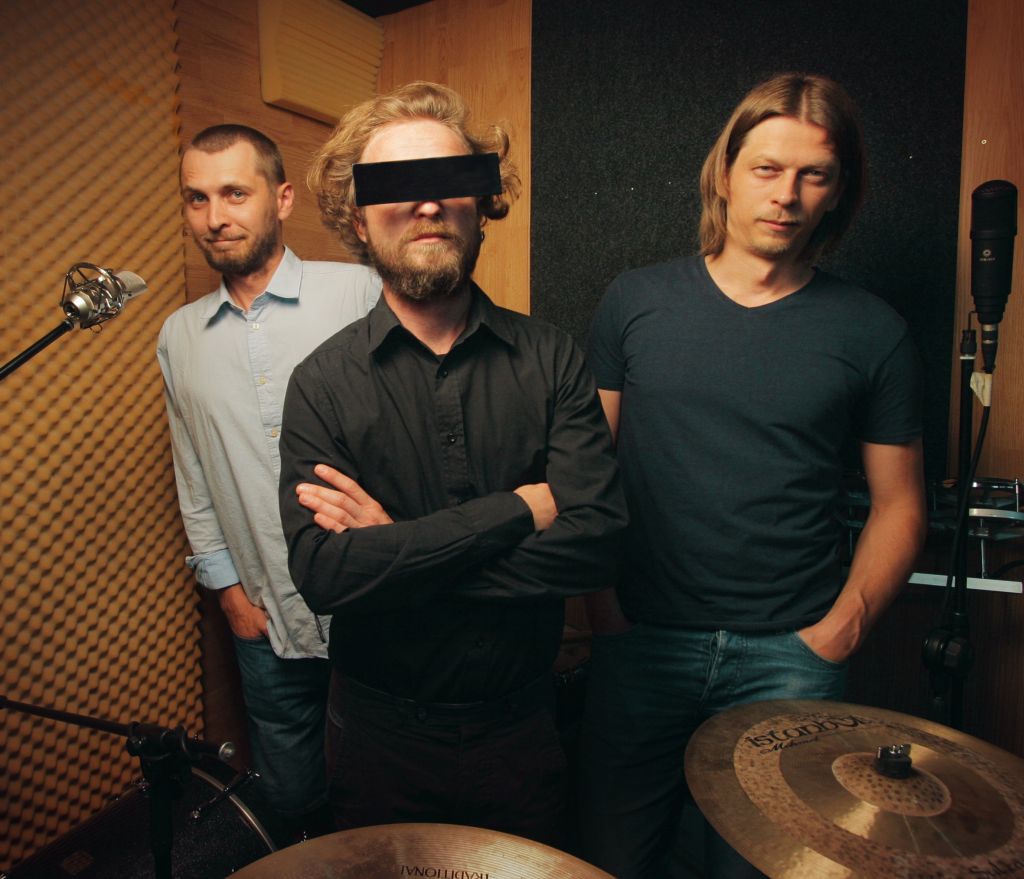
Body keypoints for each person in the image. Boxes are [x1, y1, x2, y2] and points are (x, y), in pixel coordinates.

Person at [579, 73, 928, 878]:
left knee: (759, 867)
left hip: (790, 656)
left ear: (838, 192)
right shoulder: (635, 302)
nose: (787, 195)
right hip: (641, 642)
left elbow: (900, 506)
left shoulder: (873, 332)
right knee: (609, 859)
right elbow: (588, 470)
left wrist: (838, 634)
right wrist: (601, 609)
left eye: (814, 175)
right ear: (726, 173)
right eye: (767, 168)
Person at [277, 81, 626, 846]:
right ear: (358, 217)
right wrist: (516, 510)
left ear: (481, 202)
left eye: (449, 179)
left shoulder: (553, 359)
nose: (428, 203)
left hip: (521, 734)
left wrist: (395, 550)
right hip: (378, 742)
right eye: (396, 185)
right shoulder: (321, 384)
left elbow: (597, 544)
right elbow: (326, 575)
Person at [157, 124, 380, 841]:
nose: (214, 216)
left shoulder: (359, 291)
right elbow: (192, 468)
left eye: (234, 193)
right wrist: (226, 589)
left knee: (384, 791)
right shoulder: (179, 336)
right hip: (264, 612)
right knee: (290, 796)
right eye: (197, 198)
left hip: (375, 604)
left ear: (281, 199)